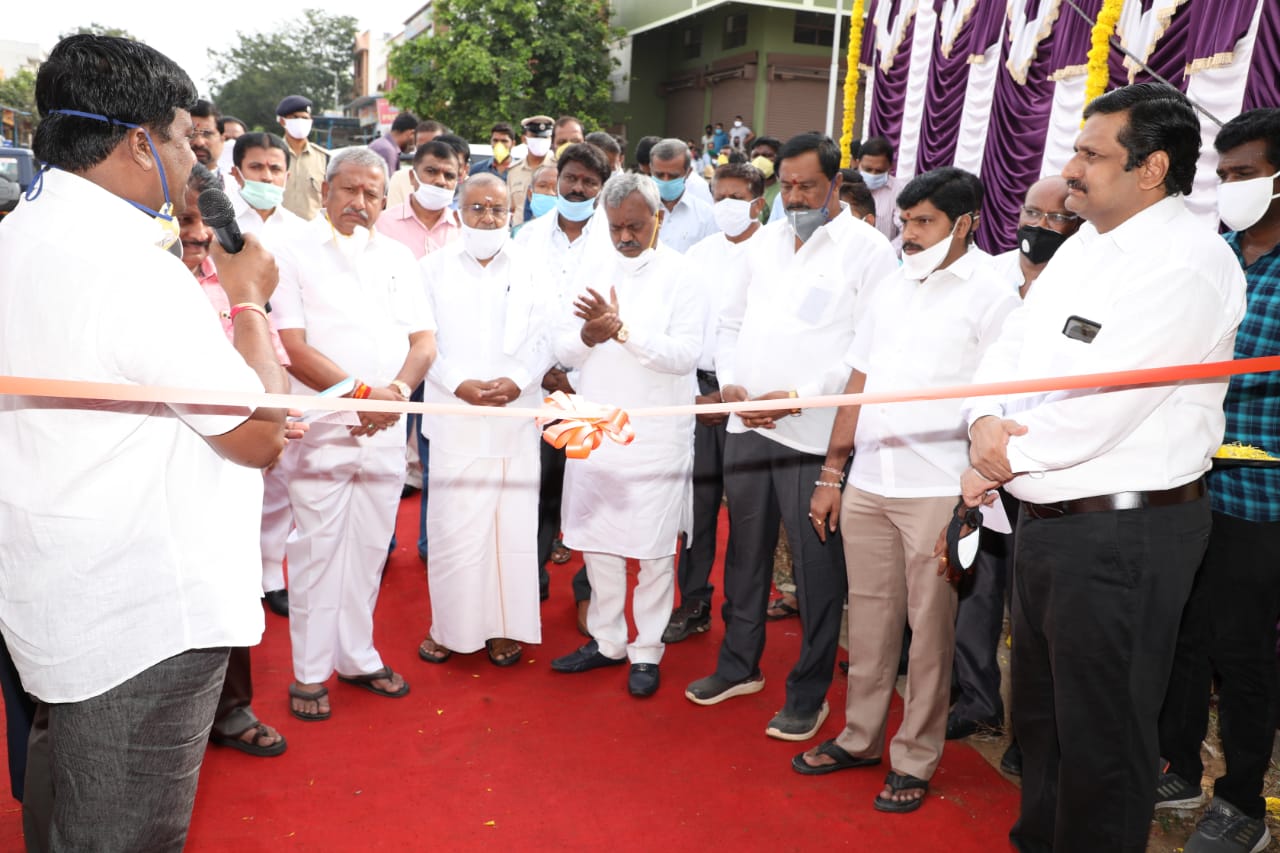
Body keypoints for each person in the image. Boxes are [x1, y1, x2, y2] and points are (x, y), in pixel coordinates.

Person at [0, 34, 289, 850]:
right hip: (142, 612)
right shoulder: (130, 267)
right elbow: (259, 435)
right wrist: (251, 302)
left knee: (65, 802)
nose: (187, 160)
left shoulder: (18, 233)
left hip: (56, 586)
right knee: (119, 831)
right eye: (179, 140)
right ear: (136, 142)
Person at [960, 82, 1245, 852]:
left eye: (1091, 153)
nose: (1073, 168)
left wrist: (1000, 451)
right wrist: (984, 420)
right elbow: (1013, 346)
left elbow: (1108, 405)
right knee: (1045, 726)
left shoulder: (1186, 265)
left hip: (1125, 532)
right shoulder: (1087, 243)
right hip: (1049, 521)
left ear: (1151, 168)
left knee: (1105, 740)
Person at [795, 167, 1019, 814]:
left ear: (966, 222)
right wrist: (832, 474)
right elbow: (858, 384)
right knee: (867, 623)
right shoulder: (891, 285)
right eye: (905, 222)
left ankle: (914, 756)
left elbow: (998, 399)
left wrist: (972, 492)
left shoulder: (992, 295)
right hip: (868, 482)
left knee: (929, 634)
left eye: (923, 223)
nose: (909, 235)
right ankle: (861, 736)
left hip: (937, 491)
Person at [685, 133, 898, 741]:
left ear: (836, 182)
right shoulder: (765, 244)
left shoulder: (868, 250)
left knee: (815, 570)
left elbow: (867, 348)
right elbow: (729, 323)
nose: (797, 196)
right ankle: (738, 666)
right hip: (748, 424)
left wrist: (799, 395)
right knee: (744, 552)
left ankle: (809, 692)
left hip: (812, 433)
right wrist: (731, 386)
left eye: (808, 185)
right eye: (788, 185)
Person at [272, 147, 436, 722]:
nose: (359, 203)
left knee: (369, 549)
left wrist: (394, 393)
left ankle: (357, 657)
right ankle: (309, 673)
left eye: (371, 194)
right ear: (325, 193)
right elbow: (293, 348)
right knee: (317, 550)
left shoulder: (398, 257)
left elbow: (424, 343)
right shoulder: (289, 253)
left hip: (387, 428)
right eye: (348, 190)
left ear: (383, 200)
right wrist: (362, 398)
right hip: (323, 430)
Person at [1156, 107, 1280, 853]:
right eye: (1225, 175)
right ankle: (1177, 765)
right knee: (1182, 636)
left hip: (1261, 503)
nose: (1232, 188)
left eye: (1248, 174)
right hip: (1186, 485)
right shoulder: (1213, 256)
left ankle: (1243, 804)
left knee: (1241, 654)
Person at [549, 172, 703, 699]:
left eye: (635, 226)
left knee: (656, 550)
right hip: (594, 426)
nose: (626, 238)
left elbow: (685, 355)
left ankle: (647, 650)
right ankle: (608, 640)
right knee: (598, 541)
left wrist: (624, 332)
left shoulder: (685, 274)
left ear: (657, 219)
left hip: (657, 432)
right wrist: (588, 337)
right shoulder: (590, 270)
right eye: (616, 228)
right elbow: (563, 351)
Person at [949, 175, 1080, 781]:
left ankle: (1035, 734)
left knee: (1035, 618)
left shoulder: (1085, 282)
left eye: (1056, 218)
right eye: (1032, 211)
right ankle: (977, 700)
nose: (1041, 226)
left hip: (1051, 475)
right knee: (976, 589)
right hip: (983, 462)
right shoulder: (989, 277)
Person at [178, 163, 291, 758]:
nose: (196, 233)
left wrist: (279, 414)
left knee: (228, 587)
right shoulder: (147, 286)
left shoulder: (234, 289)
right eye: (184, 218)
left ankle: (230, 708)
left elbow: (269, 368)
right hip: (163, 481)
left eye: (203, 221)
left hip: (232, 470)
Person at [416, 174, 552, 667]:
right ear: (458, 212)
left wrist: (518, 378)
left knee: (511, 531)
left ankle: (504, 628)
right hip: (455, 419)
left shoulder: (535, 269)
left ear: (512, 216)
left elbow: (547, 336)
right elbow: (421, 339)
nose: (487, 218)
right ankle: (450, 628)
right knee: (455, 532)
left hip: (515, 416)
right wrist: (458, 383)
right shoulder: (430, 269)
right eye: (477, 208)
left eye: (497, 209)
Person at [663, 162, 767, 644]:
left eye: (736, 197)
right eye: (718, 196)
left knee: (750, 516)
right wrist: (698, 394)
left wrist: (732, 392)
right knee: (697, 507)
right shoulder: (698, 255)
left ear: (757, 202)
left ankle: (746, 613)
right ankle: (694, 600)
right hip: (700, 396)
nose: (725, 206)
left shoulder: (776, 252)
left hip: (753, 400)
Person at [513, 142, 612, 616]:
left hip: (592, 384)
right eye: (571, 178)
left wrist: (576, 373)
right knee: (539, 489)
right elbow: (516, 311)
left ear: (601, 189)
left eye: (588, 182)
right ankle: (529, 581)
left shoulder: (615, 240)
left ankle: (588, 593)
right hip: (538, 383)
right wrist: (546, 373)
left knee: (590, 490)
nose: (577, 188)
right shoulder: (527, 237)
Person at [226, 131, 308, 617]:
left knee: (279, 479)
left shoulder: (302, 231)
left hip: (287, 368)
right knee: (234, 473)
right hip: (233, 363)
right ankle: (238, 571)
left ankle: (269, 573)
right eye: (257, 168)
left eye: (276, 169)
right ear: (237, 173)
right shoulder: (221, 229)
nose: (268, 177)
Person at [376, 137, 465, 568]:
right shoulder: (383, 225)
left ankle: (432, 546)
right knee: (387, 455)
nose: (440, 181)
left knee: (437, 461)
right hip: (394, 360)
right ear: (413, 174)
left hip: (444, 363)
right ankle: (383, 541)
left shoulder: (468, 232)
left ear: (460, 178)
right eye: (432, 172)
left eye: (449, 175)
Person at [649, 137, 719, 253]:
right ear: (651, 170)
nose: (665, 181)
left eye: (673, 176)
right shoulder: (638, 210)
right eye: (659, 175)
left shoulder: (706, 216)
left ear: (688, 172)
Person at [277, 94, 329, 221]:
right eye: (295, 118)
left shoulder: (325, 158)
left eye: (305, 118)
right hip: (279, 230)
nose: (301, 121)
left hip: (314, 232)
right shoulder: (272, 155)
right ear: (283, 121)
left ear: (311, 122)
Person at [386, 119, 449, 206]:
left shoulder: (459, 180)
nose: (428, 153)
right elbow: (392, 216)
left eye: (434, 147)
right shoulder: (400, 179)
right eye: (422, 148)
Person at [508, 115, 556, 227]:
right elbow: (512, 208)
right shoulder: (514, 171)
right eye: (535, 137)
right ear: (524, 139)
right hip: (519, 234)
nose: (540, 141)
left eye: (545, 138)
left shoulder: (558, 168)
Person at [857, 136, 901, 242]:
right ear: (858, 163)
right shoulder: (845, 186)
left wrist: (889, 253)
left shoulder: (899, 190)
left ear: (890, 167)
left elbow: (905, 229)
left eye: (879, 171)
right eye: (868, 169)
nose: (873, 174)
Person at [369, 111, 418, 178]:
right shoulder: (387, 150)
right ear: (411, 133)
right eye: (416, 137)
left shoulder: (383, 145)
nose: (414, 144)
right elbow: (388, 186)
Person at [189, 99, 225, 180]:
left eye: (207, 134)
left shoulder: (239, 188)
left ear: (222, 139)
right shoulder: (159, 186)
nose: (199, 142)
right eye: (191, 134)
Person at [750, 136, 782, 223]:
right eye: (755, 155)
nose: (759, 160)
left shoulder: (785, 191)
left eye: (767, 155)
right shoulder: (742, 189)